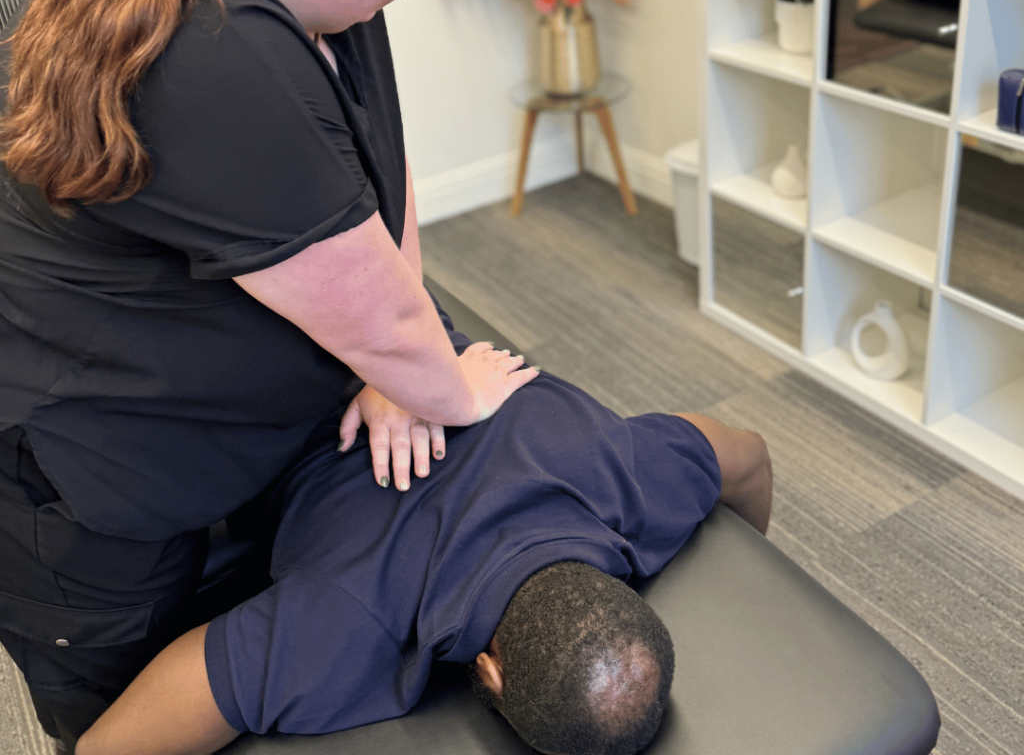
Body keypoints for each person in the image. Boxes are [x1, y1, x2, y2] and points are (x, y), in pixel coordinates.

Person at [0, 0, 537, 748]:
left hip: (230, 438)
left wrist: (397, 366)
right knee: (133, 724)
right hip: (97, 480)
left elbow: (379, 177)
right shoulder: (209, 52)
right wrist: (450, 383)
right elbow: (372, 306)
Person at [75, 312, 773, 755]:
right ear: (491, 676)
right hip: (240, 364)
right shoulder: (350, 621)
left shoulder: (634, 475)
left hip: (390, 319)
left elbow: (751, 457)